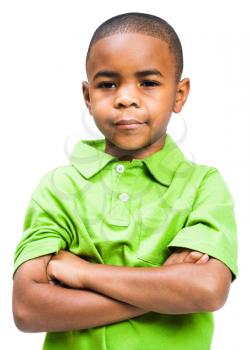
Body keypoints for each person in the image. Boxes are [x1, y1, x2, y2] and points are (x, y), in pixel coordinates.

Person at [12, 12, 238, 350]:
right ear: (87, 97)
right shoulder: (59, 187)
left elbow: (207, 289)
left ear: (179, 94)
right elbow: (27, 308)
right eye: (107, 84)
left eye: (148, 82)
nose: (125, 98)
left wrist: (84, 274)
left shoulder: (204, 185)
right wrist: (167, 288)